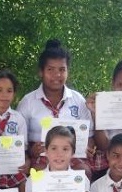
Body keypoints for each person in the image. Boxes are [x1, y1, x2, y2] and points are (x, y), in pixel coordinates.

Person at [17, 39, 92, 170]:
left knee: (84, 172)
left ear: (68, 71)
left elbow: (89, 136)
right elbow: (18, 141)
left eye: (62, 69)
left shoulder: (78, 100)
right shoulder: (28, 102)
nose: (57, 75)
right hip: (41, 158)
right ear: (41, 72)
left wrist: (89, 147)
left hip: (71, 156)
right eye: (50, 69)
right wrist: (30, 151)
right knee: (39, 176)